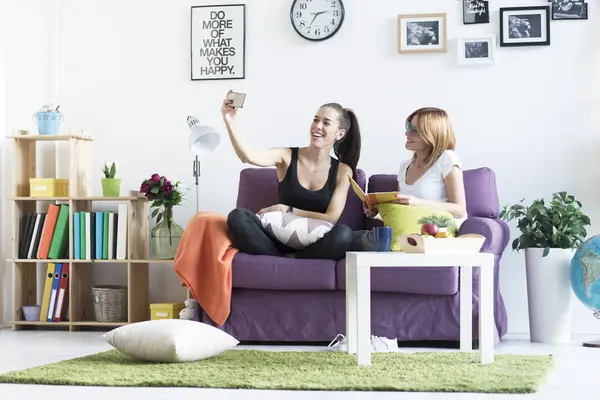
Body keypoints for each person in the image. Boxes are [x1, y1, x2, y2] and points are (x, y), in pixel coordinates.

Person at [222, 91, 361, 260]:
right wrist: (229, 121)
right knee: (238, 217)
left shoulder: (342, 171)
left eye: (326, 123)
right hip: (274, 239)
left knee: (345, 235)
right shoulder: (286, 156)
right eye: (316, 120)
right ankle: (280, 259)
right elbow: (247, 156)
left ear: (339, 134)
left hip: (313, 245)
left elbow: (331, 217)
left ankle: (294, 260)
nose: (317, 126)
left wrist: (287, 210)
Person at [353, 107, 467, 251]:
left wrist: (416, 203)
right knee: (347, 237)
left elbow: (460, 209)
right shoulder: (405, 166)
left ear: (432, 134)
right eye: (408, 127)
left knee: (349, 240)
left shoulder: (447, 159)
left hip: (435, 235)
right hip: (408, 230)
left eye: (414, 130)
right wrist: (377, 213)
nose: (407, 133)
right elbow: (404, 214)